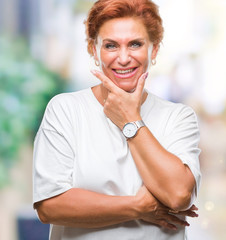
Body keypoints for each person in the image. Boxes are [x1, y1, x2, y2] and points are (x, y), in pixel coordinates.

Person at [32, 0, 201, 239]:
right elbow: (49, 206)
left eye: (135, 44)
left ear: (154, 49)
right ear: (93, 49)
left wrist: (130, 120)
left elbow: (178, 195)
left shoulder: (178, 117)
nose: (123, 58)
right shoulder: (65, 110)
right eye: (111, 45)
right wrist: (138, 207)